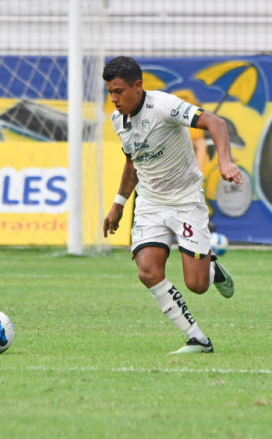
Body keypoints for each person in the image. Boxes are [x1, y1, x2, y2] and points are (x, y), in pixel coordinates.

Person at [102, 56, 242, 354]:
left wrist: (226, 162)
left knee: (197, 285)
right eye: (109, 92)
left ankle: (211, 267)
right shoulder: (118, 120)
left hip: (185, 200)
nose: (113, 98)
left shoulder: (164, 106)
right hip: (150, 203)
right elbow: (132, 163)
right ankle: (197, 339)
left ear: (137, 86)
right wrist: (118, 204)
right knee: (148, 271)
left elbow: (215, 122)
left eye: (118, 91)